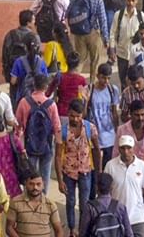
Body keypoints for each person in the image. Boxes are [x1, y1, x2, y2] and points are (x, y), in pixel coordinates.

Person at [55, 98, 101, 235]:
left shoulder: (90, 128)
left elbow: (97, 149)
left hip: (86, 171)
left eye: (78, 116)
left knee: (84, 203)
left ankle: (83, 229)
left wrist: (99, 171)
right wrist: (59, 180)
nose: (75, 119)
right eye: (72, 115)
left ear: (83, 115)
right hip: (68, 171)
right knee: (70, 201)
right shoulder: (61, 131)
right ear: (68, 114)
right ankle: (71, 229)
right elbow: (57, 156)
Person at [15, 72, 62, 192]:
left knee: (30, 175)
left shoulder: (24, 102)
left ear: (33, 85)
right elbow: (57, 128)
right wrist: (59, 147)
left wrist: (19, 144)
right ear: (46, 87)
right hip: (46, 145)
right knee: (45, 175)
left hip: (29, 145)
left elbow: (17, 126)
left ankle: (30, 198)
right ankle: (43, 199)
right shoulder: (51, 105)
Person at [103, 136, 144, 237]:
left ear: (133, 148)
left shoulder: (142, 166)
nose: (126, 151)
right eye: (123, 148)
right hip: (117, 217)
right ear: (119, 148)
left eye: (129, 148)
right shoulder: (110, 166)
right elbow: (105, 191)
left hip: (138, 218)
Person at [79, 172, 134, 237]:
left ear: (97, 188)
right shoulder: (120, 206)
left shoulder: (90, 207)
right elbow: (129, 233)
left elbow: (83, 232)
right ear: (111, 188)